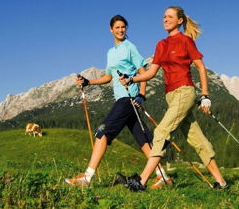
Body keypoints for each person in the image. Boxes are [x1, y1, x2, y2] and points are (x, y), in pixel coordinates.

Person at [118, 6, 228, 191]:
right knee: (196, 138)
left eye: (170, 16)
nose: (165, 19)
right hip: (171, 96)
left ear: (180, 20)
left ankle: (141, 181)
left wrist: (205, 95)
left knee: (161, 132)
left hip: (185, 92)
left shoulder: (186, 41)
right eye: (164, 16)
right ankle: (222, 183)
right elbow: (151, 72)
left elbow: (201, 67)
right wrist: (131, 79)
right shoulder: (161, 44)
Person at [65, 15, 171, 188]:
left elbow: (143, 70)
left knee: (102, 132)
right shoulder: (111, 52)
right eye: (117, 28)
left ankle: (87, 178)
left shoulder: (130, 47)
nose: (121, 30)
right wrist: (88, 82)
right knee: (143, 139)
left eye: (123, 27)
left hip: (128, 99)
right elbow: (109, 77)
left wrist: (141, 94)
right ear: (111, 30)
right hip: (124, 100)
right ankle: (163, 176)